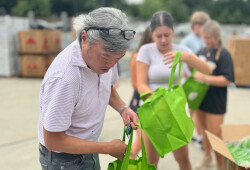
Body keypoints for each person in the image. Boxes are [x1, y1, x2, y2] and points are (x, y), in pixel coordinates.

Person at [38, 7, 139, 170]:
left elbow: (108, 87)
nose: (111, 64)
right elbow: (53, 140)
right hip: (63, 158)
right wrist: (107, 147)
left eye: (118, 59)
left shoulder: (106, 57)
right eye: (106, 56)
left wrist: (123, 108)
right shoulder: (65, 78)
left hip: (89, 147)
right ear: (84, 38)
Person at [136, 11, 212, 169]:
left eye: (167, 35)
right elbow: (141, 84)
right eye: (158, 36)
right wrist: (157, 100)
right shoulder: (146, 51)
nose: (163, 40)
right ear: (152, 34)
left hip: (175, 112)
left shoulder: (181, 49)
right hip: (153, 111)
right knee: (150, 162)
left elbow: (207, 70)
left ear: (173, 32)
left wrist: (188, 58)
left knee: (183, 160)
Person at [194, 20, 234, 170]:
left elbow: (227, 79)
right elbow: (193, 72)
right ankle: (207, 157)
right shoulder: (202, 52)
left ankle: (221, 165)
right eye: (204, 37)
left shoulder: (224, 55)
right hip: (200, 99)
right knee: (203, 133)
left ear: (217, 36)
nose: (206, 41)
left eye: (209, 37)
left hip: (216, 101)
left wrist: (205, 78)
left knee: (215, 135)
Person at [180, 11, 210, 150]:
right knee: (191, 109)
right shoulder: (187, 40)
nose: (200, 27)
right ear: (193, 25)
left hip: (202, 81)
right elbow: (181, 60)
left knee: (199, 110)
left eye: (202, 24)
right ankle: (190, 135)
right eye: (197, 24)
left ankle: (198, 135)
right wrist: (186, 75)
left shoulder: (205, 39)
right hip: (190, 80)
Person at [129, 26, 153, 159]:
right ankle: (126, 166)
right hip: (140, 101)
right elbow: (135, 84)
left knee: (145, 143)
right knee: (140, 143)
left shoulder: (154, 55)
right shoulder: (137, 56)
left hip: (151, 102)